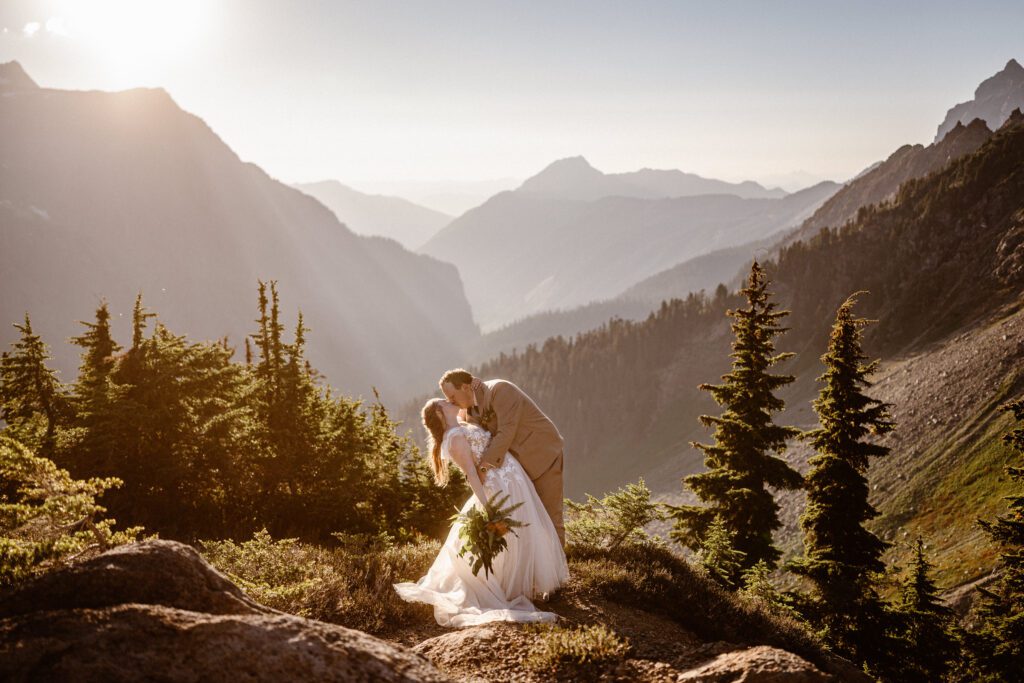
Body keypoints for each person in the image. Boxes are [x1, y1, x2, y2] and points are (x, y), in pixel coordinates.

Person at [392, 394, 568, 627]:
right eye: (444, 402)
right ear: (438, 413)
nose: (449, 401)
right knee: (511, 537)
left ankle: (530, 585)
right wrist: (489, 508)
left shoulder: (462, 425)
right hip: (497, 487)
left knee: (526, 531)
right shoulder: (454, 438)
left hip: (513, 479)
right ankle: (508, 589)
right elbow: (471, 474)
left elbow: (473, 403)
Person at [440, 370, 566, 546]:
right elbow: (472, 432)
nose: (450, 401)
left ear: (466, 387)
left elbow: (506, 431)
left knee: (551, 517)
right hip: (516, 468)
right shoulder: (469, 411)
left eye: (452, 396)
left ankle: (560, 570)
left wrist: (483, 467)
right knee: (529, 518)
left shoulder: (501, 390)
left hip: (542, 455)